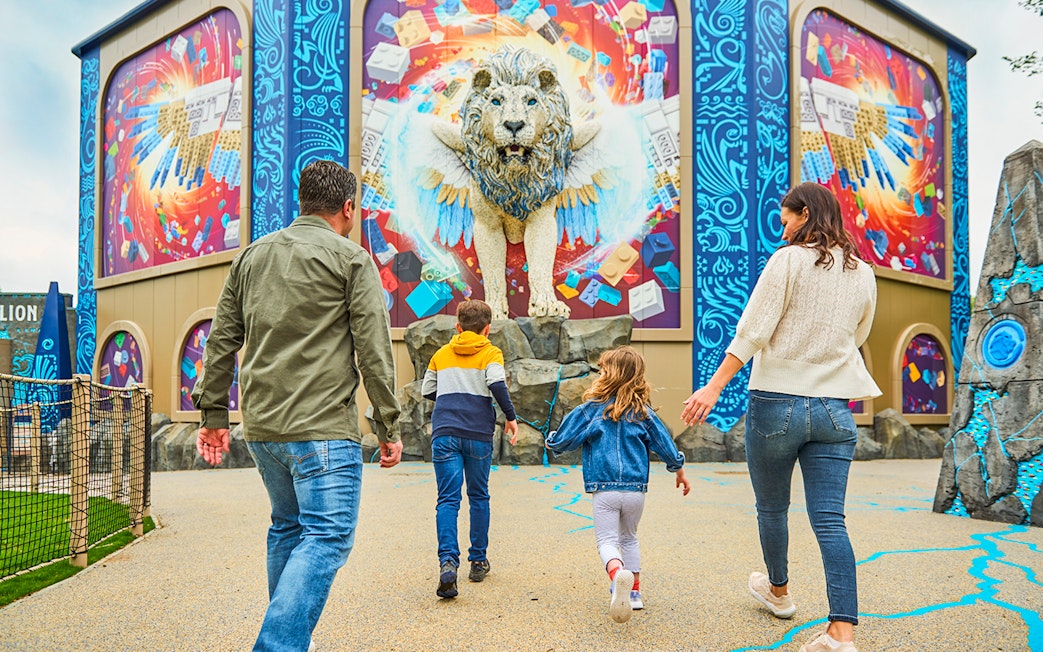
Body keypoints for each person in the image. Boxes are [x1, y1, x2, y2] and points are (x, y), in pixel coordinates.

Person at [193, 160, 403, 652]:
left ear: (303, 202)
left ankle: (291, 642)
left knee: (288, 529)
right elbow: (374, 351)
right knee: (328, 537)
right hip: (323, 430)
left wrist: (214, 417)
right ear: (348, 208)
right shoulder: (352, 260)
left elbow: (221, 340)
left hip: (264, 431)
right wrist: (388, 426)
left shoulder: (251, 257)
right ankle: (279, 646)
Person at [682, 182, 880, 652]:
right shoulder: (863, 272)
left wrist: (713, 387)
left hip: (776, 404)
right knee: (831, 521)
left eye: (786, 217)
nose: (783, 225)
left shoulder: (786, 260)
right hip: (835, 410)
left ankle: (779, 591)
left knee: (772, 508)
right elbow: (860, 333)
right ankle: (842, 632)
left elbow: (753, 330)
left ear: (805, 213)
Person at [546, 346, 690, 624]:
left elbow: (562, 441)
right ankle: (634, 593)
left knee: (607, 541)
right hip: (636, 491)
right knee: (630, 538)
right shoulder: (644, 413)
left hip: (605, 489)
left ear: (607, 375)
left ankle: (616, 575)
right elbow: (666, 446)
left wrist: (551, 440)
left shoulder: (590, 410)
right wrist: (678, 469)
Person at [421, 299, 519, 599]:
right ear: (487, 329)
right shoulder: (491, 352)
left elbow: (428, 390)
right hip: (478, 434)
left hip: (445, 433)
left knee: (447, 500)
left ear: (458, 326)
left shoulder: (441, 354)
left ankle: (448, 562)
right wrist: (510, 418)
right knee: (478, 495)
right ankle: (478, 561)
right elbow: (497, 384)